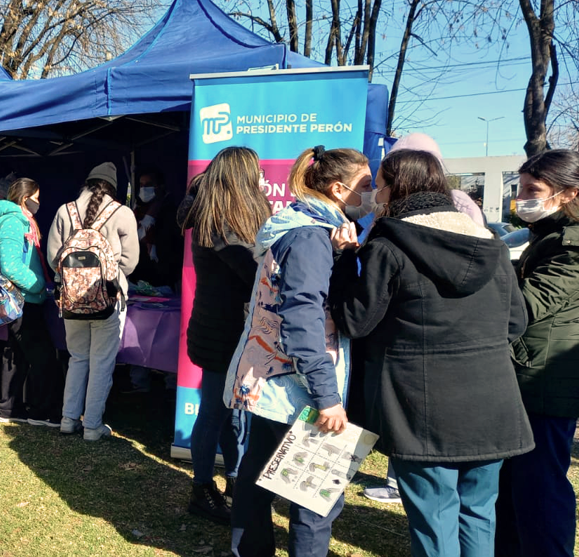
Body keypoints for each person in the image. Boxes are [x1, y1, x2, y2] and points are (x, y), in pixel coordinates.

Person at [329, 149, 534, 557]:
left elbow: (355, 322)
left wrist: (342, 260)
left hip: (419, 406)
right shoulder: (492, 244)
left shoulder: (386, 248)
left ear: (397, 189)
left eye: (379, 185)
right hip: (492, 402)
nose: (375, 195)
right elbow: (516, 323)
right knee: (479, 513)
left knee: (433, 515)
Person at [226, 146, 370, 557]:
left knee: (256, 477)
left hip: (269, 381)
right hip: (296, 388)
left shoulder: (298, 227)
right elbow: (302, 320)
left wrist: (341, 256)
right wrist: (327, 396)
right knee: (315, 499)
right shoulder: (310, 237)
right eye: (366, 185)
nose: (373, 192)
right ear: (339, 189)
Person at [176, 148, 270, 523]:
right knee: (215, 412)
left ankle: (234, 479)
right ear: (241, 178)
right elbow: (254, 272)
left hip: (226, 330)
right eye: (256, 173)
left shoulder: (222, 217)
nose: (262, 179)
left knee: (232, 413)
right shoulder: (220, 225)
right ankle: (202, 489)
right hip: (221, 334)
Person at [494, 149, 579, 557]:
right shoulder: (545, 234)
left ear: (567, 193)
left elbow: (528, 305)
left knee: (540, 490)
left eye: (533, 189)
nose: (521, 196)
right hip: (528, 373)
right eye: (521, 186)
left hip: (545, 382)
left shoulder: (571, 246)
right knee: (514, 489)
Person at [47, 163, 139, 441]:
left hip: (71, 301)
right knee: (102, 362)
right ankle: (92, 426)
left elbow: (54, 258)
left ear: (86, 183)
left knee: (77, 358)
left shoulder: (65, 211)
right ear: (112, 186)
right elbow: (131, 262)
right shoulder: (122, 213)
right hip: (108, 298)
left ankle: (68, 419)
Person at [0, 177, 61, 426]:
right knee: (43, 357)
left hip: (25, 298)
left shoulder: (19, 220)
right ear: (23, 197)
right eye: (35, 198)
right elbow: (10, 266)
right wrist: (39, 285)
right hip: (23, 299)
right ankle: (43, 412)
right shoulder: (12, 222)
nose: (38, 203)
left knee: (16, 355)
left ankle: (10, 408)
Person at [131, 169, 180, 288]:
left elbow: (168, 244)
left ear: (160, 187)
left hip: (161, 281)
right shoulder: (138, 210)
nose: (144, 189)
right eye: (141, 185)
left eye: (148, 185)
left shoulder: (170, 211)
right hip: (137, 280)